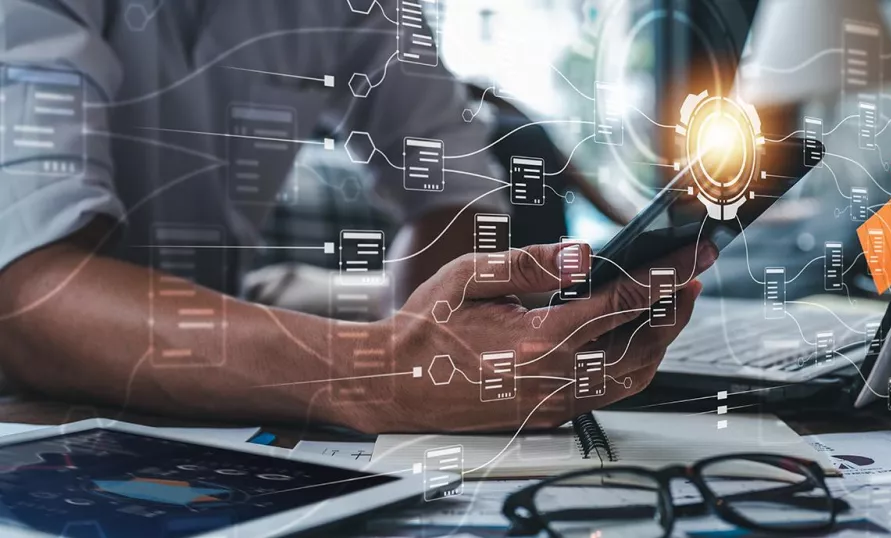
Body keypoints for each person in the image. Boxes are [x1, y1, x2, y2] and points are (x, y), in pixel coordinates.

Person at [0, 0, 716, 433]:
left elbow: (454, 191)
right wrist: (381, 377)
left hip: (212, 404)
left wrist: (449, 342)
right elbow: (28, 301)